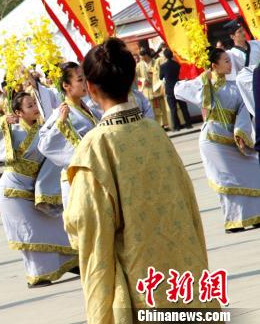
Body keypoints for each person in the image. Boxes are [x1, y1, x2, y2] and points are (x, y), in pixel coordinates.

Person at [65, 38, 220, 322]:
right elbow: (187, 199)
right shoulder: (154, 131)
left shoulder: (94, 146)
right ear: (131, 81)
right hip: (181, 270)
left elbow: (88, 225)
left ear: (91, 88)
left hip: (139, 281)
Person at [0, 92, 78, 288]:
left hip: (33, 189)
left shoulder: (43, 130)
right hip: (12, 192)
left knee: (56, 225)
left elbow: (56, 140)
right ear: (18, 112)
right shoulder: (11, 131)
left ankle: (70, 262)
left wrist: (62, 119)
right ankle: (37, 275)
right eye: (29, 106)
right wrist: (1, 121)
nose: (35, 108)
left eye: (34, 104)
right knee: (31, 234)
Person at [175, 48, 260, 232]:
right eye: (226, 61)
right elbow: (178, 89)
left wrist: (240, 132)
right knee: (226, 179)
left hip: (232, 139)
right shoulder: (205, 84)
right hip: (212, 140)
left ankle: (255, 215)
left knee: (253, 170)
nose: (230, 64)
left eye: (229, 60)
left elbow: (243, 112)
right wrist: (204, 78)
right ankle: (234, 221)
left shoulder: (235, 87)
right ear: (215, 65)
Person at [38, 62, 98, 207]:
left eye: (84, 78)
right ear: (66, 85)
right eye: (79, 80)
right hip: (75, 180)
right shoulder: (62, 112)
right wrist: (60, 123)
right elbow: (44, 144)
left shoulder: (89, 108)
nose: (84, 83)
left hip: (93, 176)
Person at [159, 48, 192, 131]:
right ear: (172, 55)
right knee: (183, 107)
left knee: (173, 108)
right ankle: (188, 124)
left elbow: (160, 77)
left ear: (165, 56)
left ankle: (176, 126)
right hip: (179, 86)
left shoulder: (163, 66)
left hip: (170, 89)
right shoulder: (177, 64)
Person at [136, 47, 167, 127]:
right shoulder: (139, 65)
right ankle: (154, 124)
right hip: (147, 90)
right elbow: (137, 77)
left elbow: (159, 73)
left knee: (161, 107)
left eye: (142, 56)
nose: (141, 58)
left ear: (146, 55)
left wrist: (154, 78)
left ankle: (164, 123)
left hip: (156, 88)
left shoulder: (155, 62)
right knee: (150, 109)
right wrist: (143, 81)